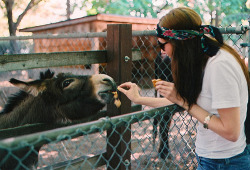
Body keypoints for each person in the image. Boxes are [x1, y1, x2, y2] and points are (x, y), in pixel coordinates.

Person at [118, 7, 250, 169]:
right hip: (210, 158)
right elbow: (178, 101)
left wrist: (185, 103)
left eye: (162, 45)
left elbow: (231, 132)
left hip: (226, 162)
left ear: (179, 42)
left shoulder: (219, 66)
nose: (162, 51)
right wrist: (138, 98)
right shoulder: (202, 60)